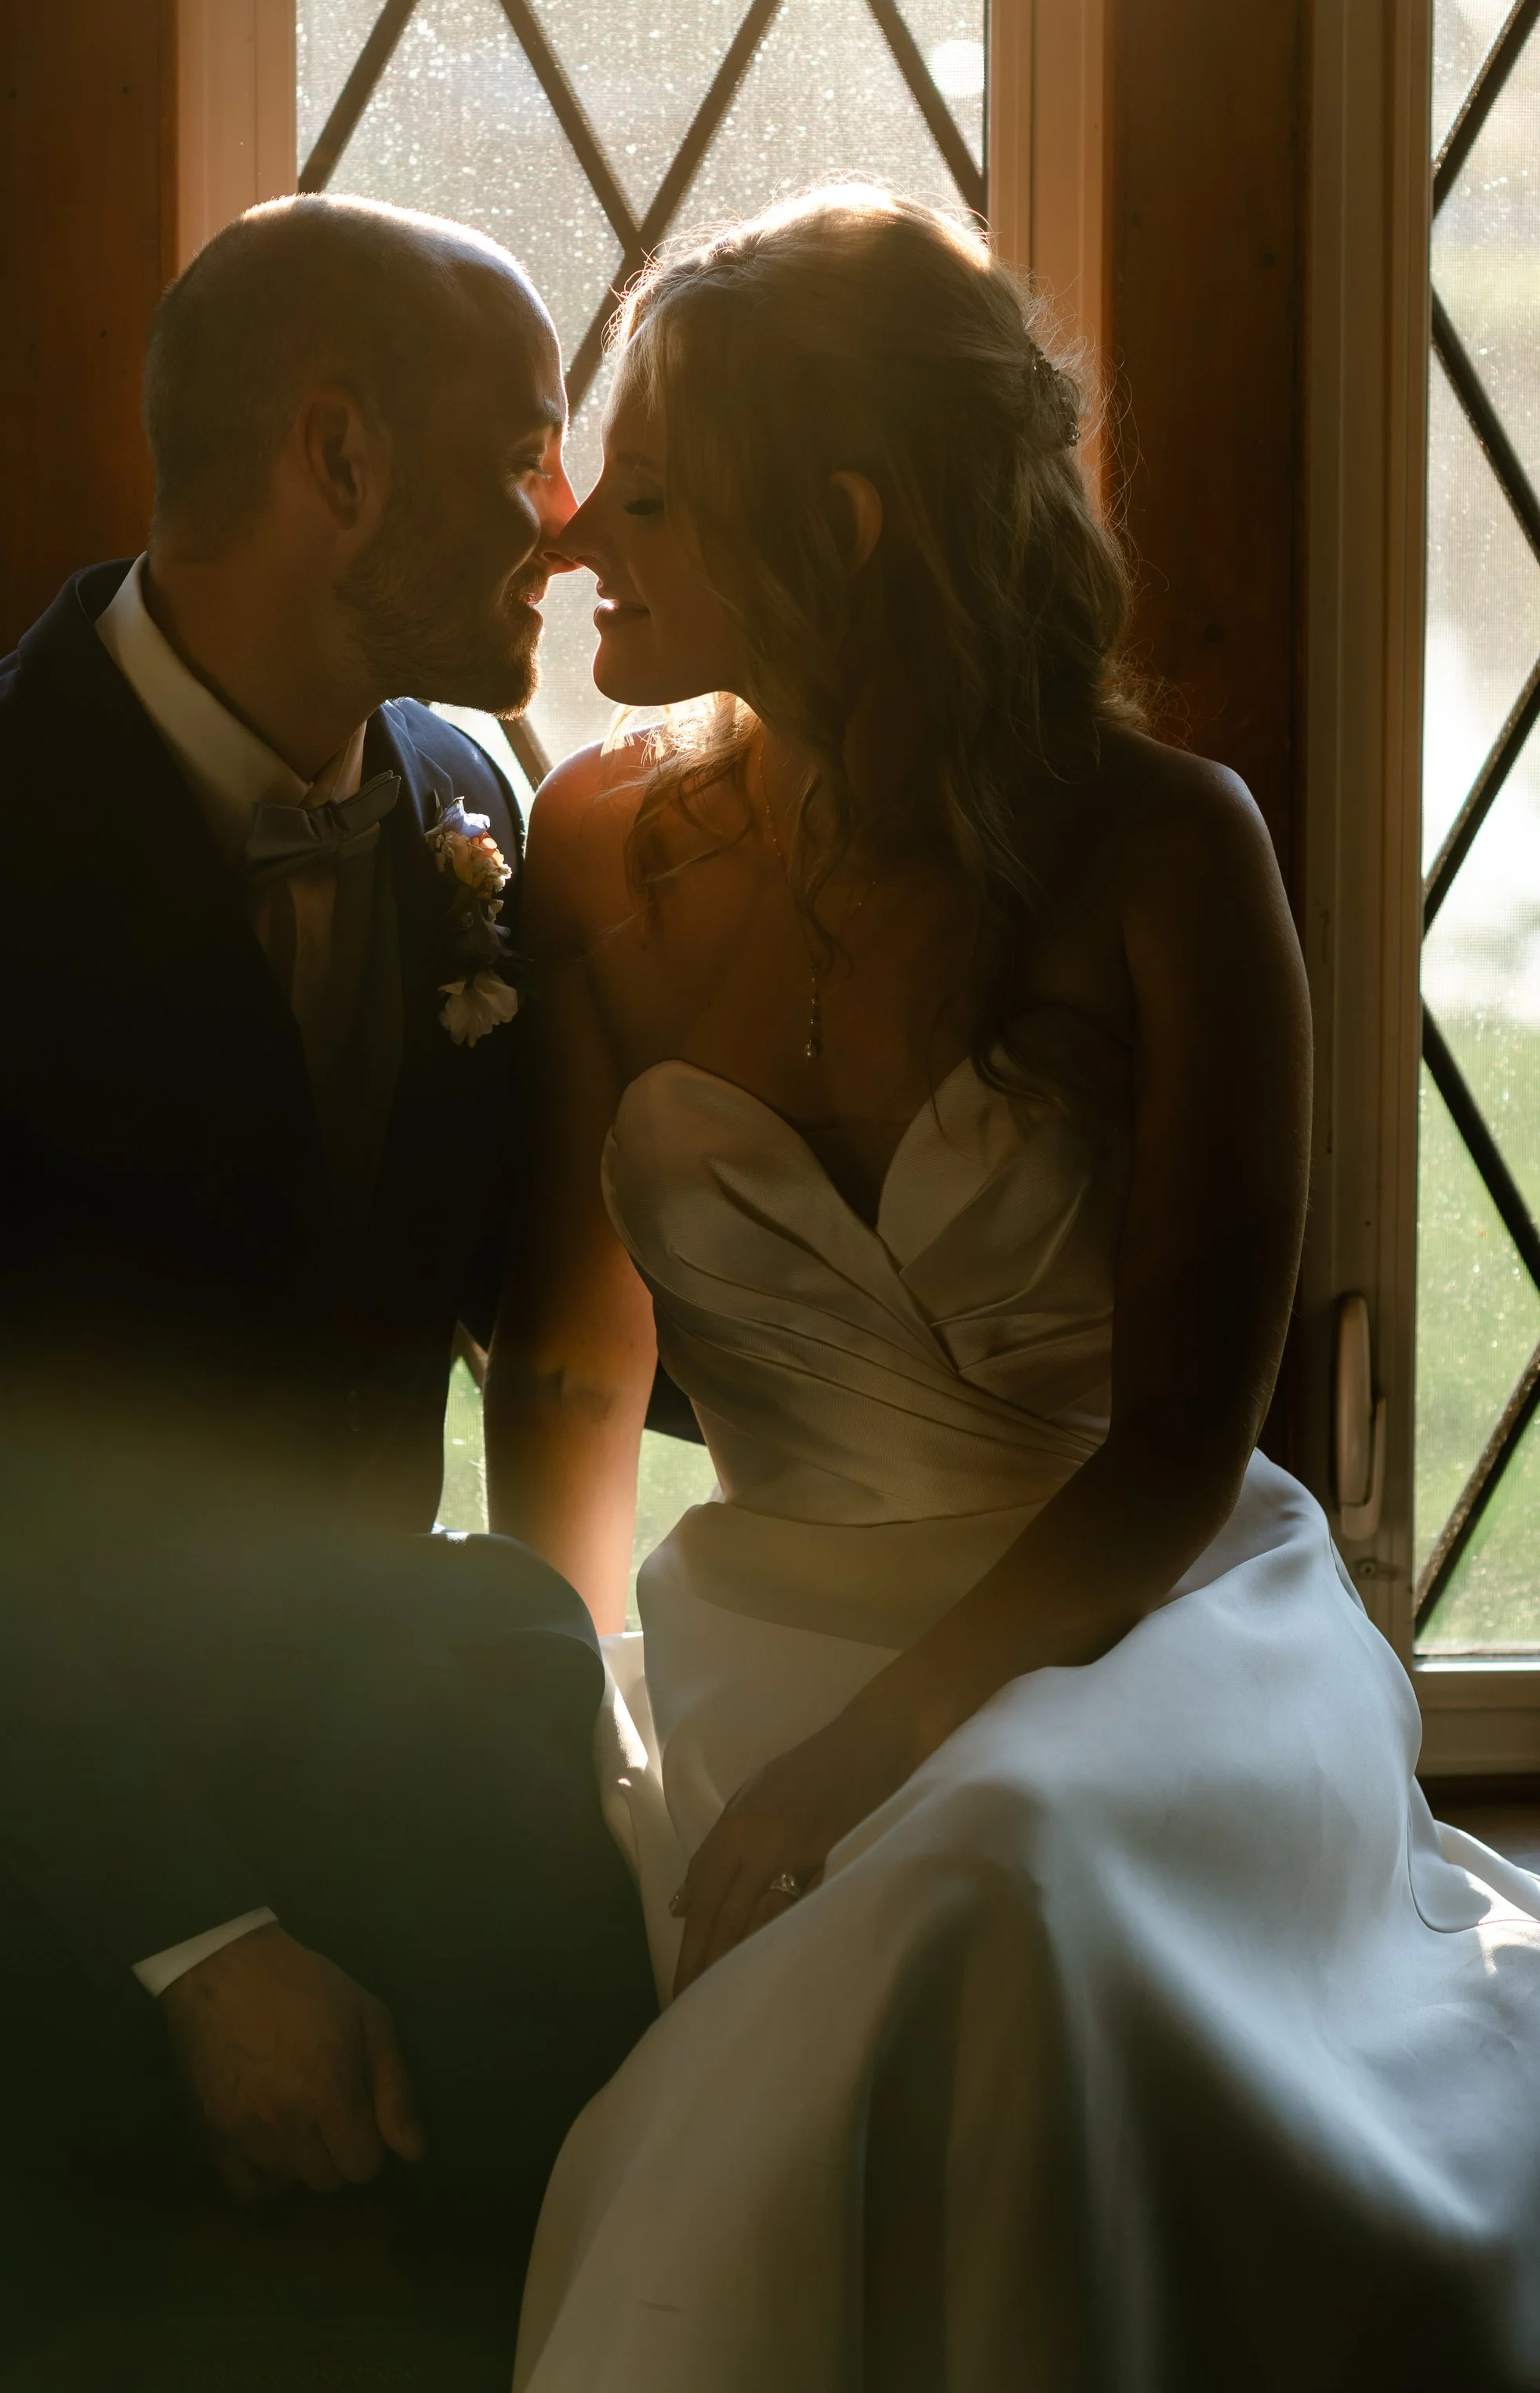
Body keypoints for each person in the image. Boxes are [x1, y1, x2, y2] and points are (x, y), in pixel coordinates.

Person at [0, 195, 656, 2387]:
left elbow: (558, 1308)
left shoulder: (468, 811)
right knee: (65, 2177)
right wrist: (205, 1938)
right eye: (517, 451)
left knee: (571, 2046)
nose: (552, 530)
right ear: (335, 456)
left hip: (327, 1670)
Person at [485, 185, 1540, 2392]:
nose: (581, 537)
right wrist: (562, 1704)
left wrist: (871, 1759)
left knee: (998, 1868)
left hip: (1146, 1626)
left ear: (845, 524)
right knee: (929, 1904)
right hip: (768, 1640)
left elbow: (1179, 1446)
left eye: (654, 493)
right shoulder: (598, 845)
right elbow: (583, 1364)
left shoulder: (1167, 853)